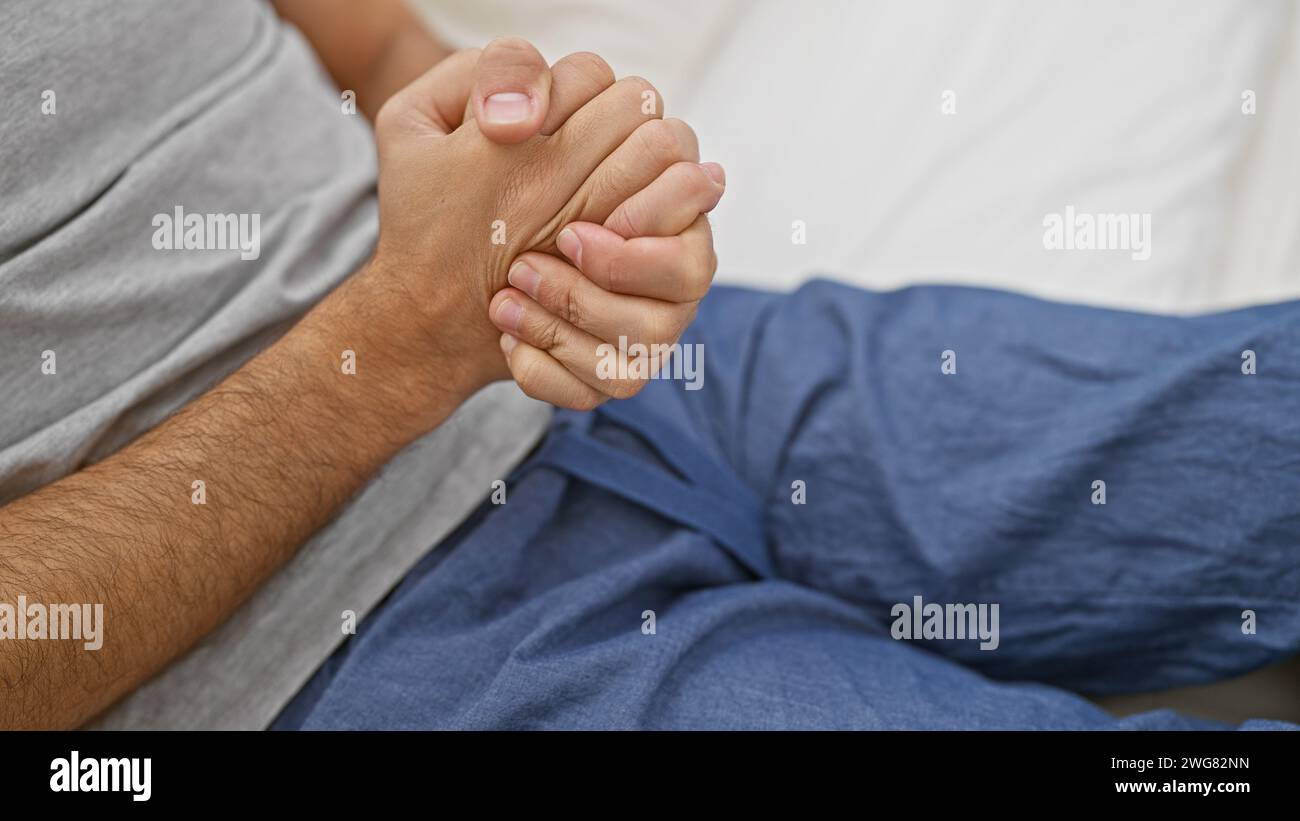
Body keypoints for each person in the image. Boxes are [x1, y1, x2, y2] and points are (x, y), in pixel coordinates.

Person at [0, 0, 722, 729]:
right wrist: (404, 343)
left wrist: (532, 162)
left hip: (588, 352)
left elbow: (382, 48)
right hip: (317, 650)